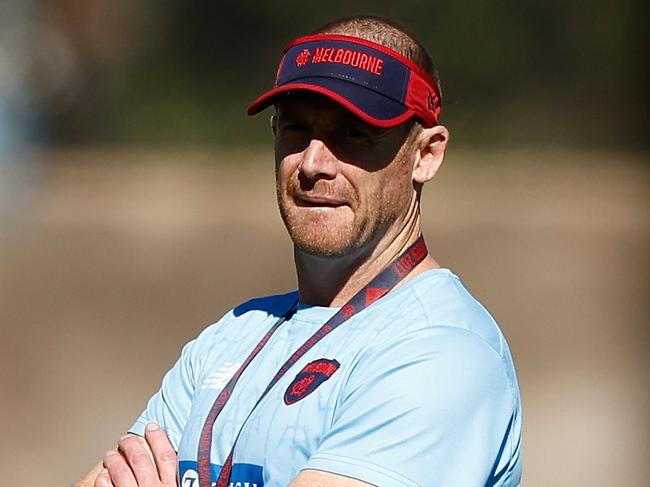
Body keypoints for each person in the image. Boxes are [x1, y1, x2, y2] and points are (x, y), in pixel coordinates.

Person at [78, 15, 522, 487]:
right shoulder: (233, 336)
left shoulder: (441, 349)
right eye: (295, 130)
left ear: (426, 154)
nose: (312, 164)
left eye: (352, 134)